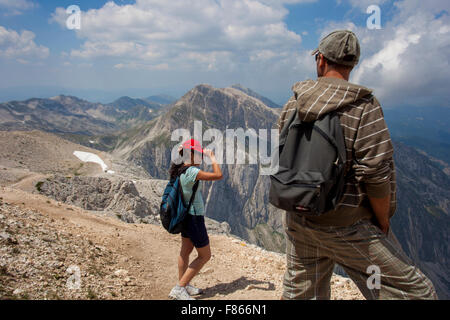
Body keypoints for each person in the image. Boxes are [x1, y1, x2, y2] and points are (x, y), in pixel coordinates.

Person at [277, 30, 437, 300]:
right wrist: (382, 222)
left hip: (298, 217)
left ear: (321, 60)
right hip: (347, 226)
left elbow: (282, 153)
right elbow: (375, 174)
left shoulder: (293, 102)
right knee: (417, 293)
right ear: (352, 65)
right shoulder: (364, 107)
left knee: (301, 291)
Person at [168, 139, 223, 300]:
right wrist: (212, 157)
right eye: (197, 154)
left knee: (185, 251)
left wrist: (186, 150)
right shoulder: (192, 172)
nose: (200, 157)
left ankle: (184, 285)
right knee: (205, 256)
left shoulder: (179, 169)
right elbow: (218, 175)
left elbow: (187, 159)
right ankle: (179, 288)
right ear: (190, 155)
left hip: (185, 216)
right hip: (194, 218)